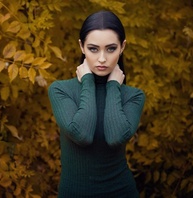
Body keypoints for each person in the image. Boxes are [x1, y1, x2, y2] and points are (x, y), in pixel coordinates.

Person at [48, 10, 145, 198]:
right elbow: (82, 134)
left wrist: (113, 85)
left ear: (122, 47)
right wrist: (88, 82)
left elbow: (115, 136)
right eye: (93, 49)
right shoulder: (61, 90)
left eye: (110, 49)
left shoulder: (133, 96)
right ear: (82, 47)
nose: (102, 59)